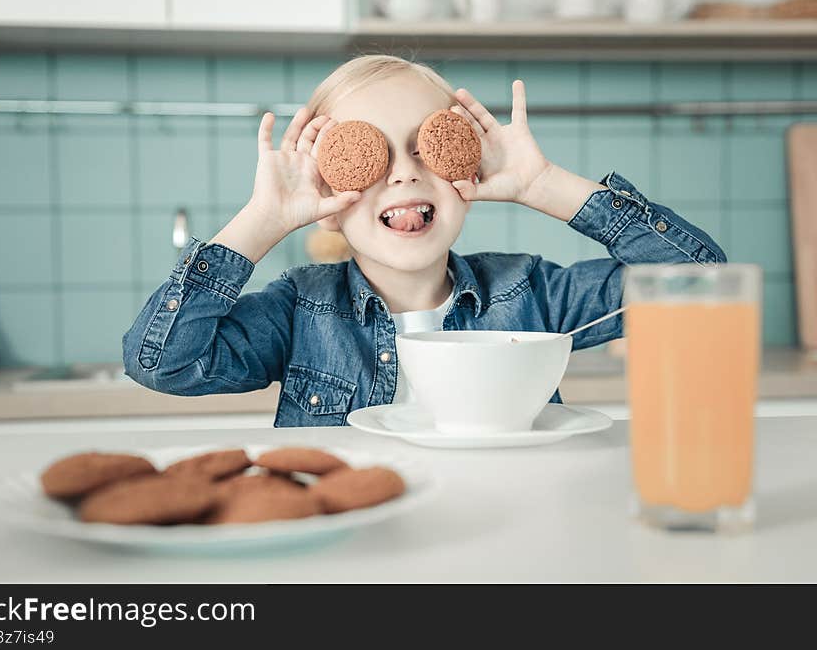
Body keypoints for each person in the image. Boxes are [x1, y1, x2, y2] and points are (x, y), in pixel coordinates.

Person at [122, 54, 726, 427]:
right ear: (329, 202)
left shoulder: (531, 294)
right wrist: (265, 218)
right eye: (371, 155)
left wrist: (544, 185)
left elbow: (700, 280)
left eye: (424, 146)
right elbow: (162, 363)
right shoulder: (297, 312)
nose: (405, 172)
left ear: (464, 173)